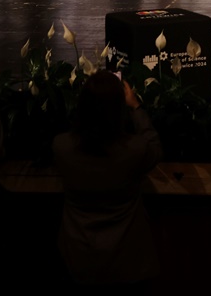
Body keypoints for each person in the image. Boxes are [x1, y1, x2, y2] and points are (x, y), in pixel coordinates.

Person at [53, 72, 162, 288]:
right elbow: (155, 148)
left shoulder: (61, 146)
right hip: (127, 260)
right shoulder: (134, 149)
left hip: (78, 257)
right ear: (119, 109)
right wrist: (137, 108)